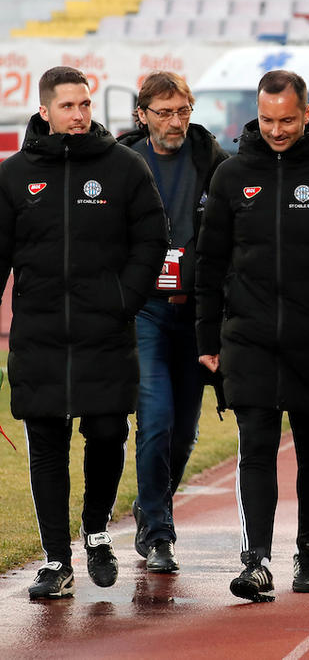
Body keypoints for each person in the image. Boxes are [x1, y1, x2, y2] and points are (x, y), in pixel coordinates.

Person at [196, 70, 309, 603]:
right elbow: (209, 261)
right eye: (267, 120)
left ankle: (308, 551)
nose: (276, 130)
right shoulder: (231, 175)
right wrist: (207, 337)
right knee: (256, 446)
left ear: (307, 113)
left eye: (287, 120)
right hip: (248, 336)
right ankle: (256, 561)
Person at [0, 66, 167, 599]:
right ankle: (56, 560)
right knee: (46, 447)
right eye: (67, 106)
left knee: (108, 434)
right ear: (44, 111)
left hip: (105, 333)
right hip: (39, 335)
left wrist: (124, 299)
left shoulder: (124, 167)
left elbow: (152, 239)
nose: (78, 115)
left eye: (85, 105)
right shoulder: (13, 175)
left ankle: (96, 532)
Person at [117, 71, 228, 574]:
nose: (176, 121)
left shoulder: (214, 161)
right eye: (164, 113)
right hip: (146, 310)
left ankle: (151, 505)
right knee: (156, 420)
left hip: (198, 312)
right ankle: (159, 532)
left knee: (184, 432)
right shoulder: (123, 163)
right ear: (142, 115)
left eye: (183, 110)